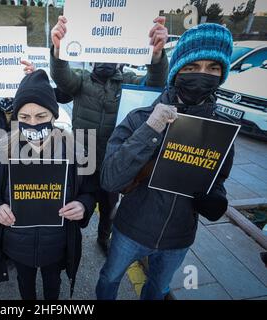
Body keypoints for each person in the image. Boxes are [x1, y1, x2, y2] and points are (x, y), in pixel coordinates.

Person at [96, 23, 235, 300]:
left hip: (178, 238)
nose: (202, 75)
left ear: (222, 74)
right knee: (109, 278)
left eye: (213, 68)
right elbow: (111, 178)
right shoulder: (139, 118)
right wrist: (150, 129)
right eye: (192, 67)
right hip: (131, 230)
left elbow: (217, 181)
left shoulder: (222, 130)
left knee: (158, 289)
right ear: (177, 71)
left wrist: (216, 199)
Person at [50, 15, 170, 255]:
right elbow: (62, 77)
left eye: (111, 56)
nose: (105, 61)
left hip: (113, 162)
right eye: (100, 56)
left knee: (108, 206)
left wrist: (156, 58)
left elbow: (154, 84)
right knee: (77, 203)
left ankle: (104, 237)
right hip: (83, 159)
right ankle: (69, 239)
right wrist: (57, 50)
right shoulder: (81, 81)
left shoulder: (128, 82)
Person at [0, 70, 96, 300]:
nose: (33, 124)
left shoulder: (76, 150)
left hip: (56, 244)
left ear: (54, 116)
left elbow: (91, 191)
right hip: (18, 244)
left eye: (41, 116)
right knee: (26, 287)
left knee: (53, 285)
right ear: (16, 118)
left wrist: (83, 205)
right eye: (24, 117)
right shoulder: (1, 150)